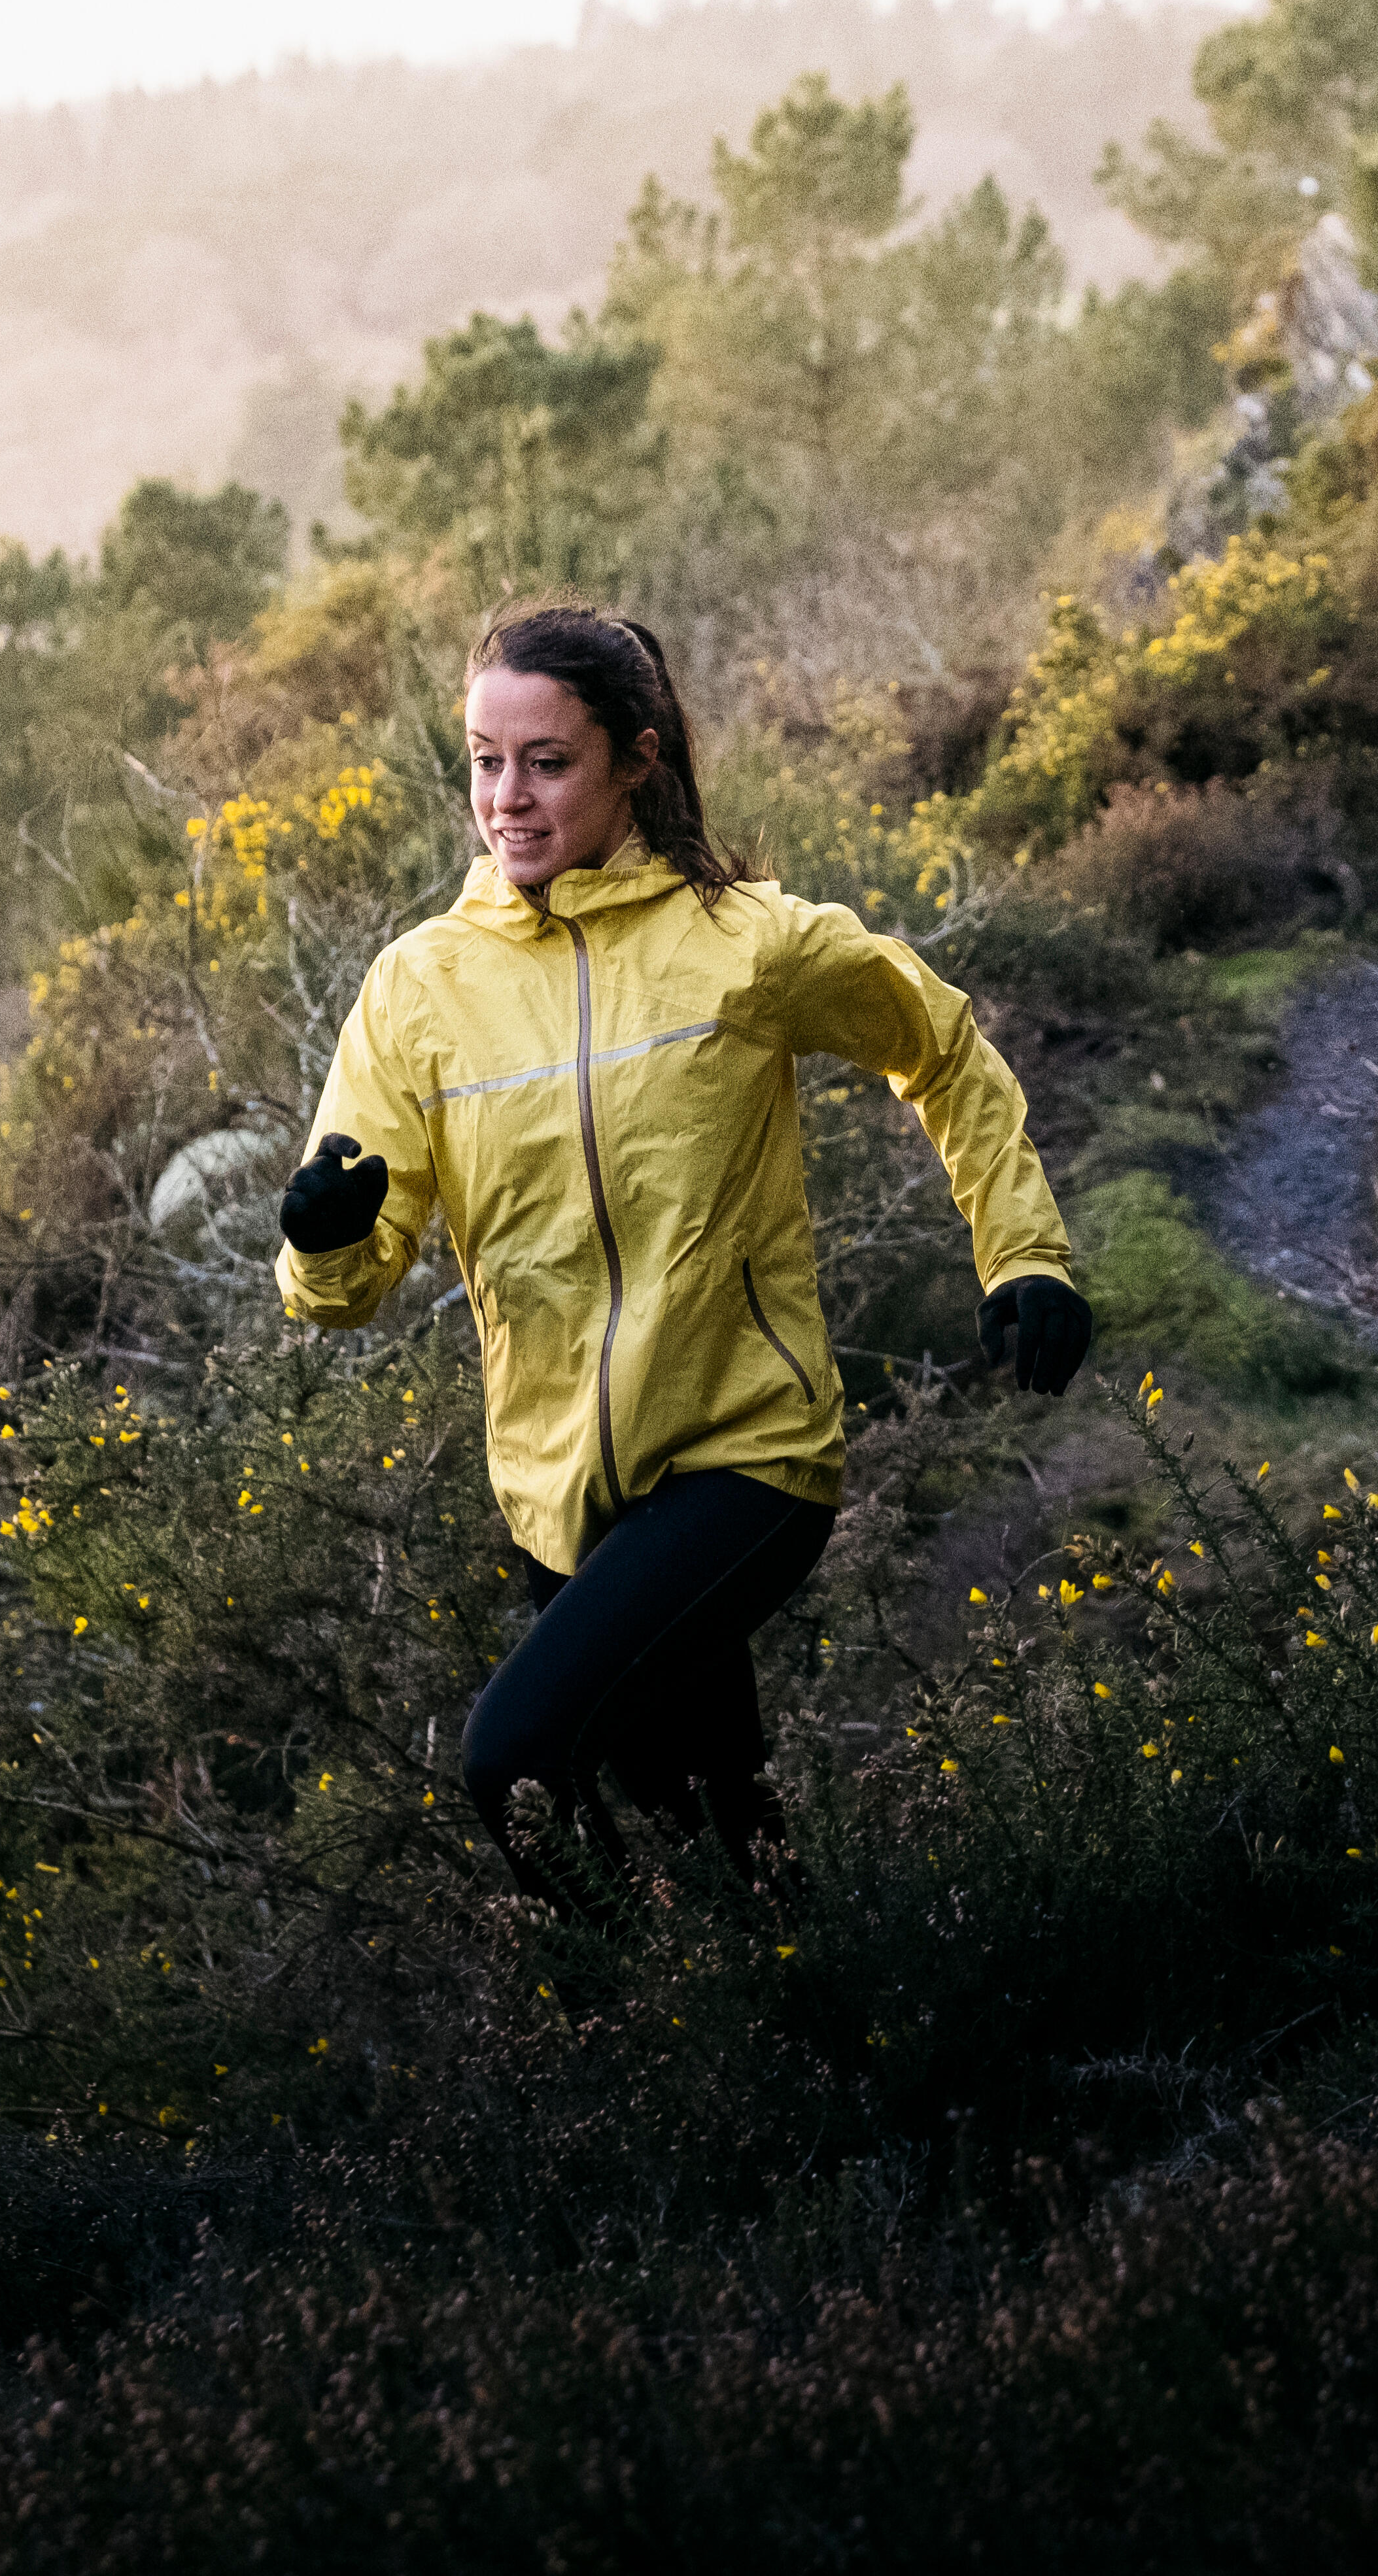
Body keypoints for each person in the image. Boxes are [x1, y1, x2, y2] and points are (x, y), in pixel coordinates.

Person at [273, 603, 1094, 1918]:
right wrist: (321, 1242)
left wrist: (1025, 1257)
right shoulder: (417, 989)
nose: (507, 798)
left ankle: (658, 2037)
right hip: (556, 1497)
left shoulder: (748, 946)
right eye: (485, 759)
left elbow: (940, 1047)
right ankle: (818, 2048)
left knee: (518, 1763)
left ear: (636, 760)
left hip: (744, 1456)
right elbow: (349, 1282)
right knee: (717, 1836)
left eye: (548, 761)